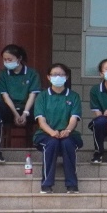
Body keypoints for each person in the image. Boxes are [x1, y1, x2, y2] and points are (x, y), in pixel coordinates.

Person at [32, 63, 82, 195]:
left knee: (67, 143)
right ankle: (46, 184)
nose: (58, 77)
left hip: (68, 134)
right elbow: (41, 121)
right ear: (48, 77)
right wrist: (52, 132)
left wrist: (67, 131)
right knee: (52, 142)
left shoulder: (74, 96)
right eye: (54, 74)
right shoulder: (42, 96)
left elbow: (74, 118)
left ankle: (72, 185)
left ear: (67, 76)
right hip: (45, 134)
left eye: (61, 74)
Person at [0, 45, 40, 161]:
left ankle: (39, 144)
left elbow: (33, 95)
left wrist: (25, 113)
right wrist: (16, 114)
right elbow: (5, 96)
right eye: (4, 60)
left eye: (9, 60)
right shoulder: (3, 74)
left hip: (28, 107)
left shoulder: (32, 73)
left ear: (19, 59)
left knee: (41, 111)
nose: (6, 62)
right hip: (10, 108)